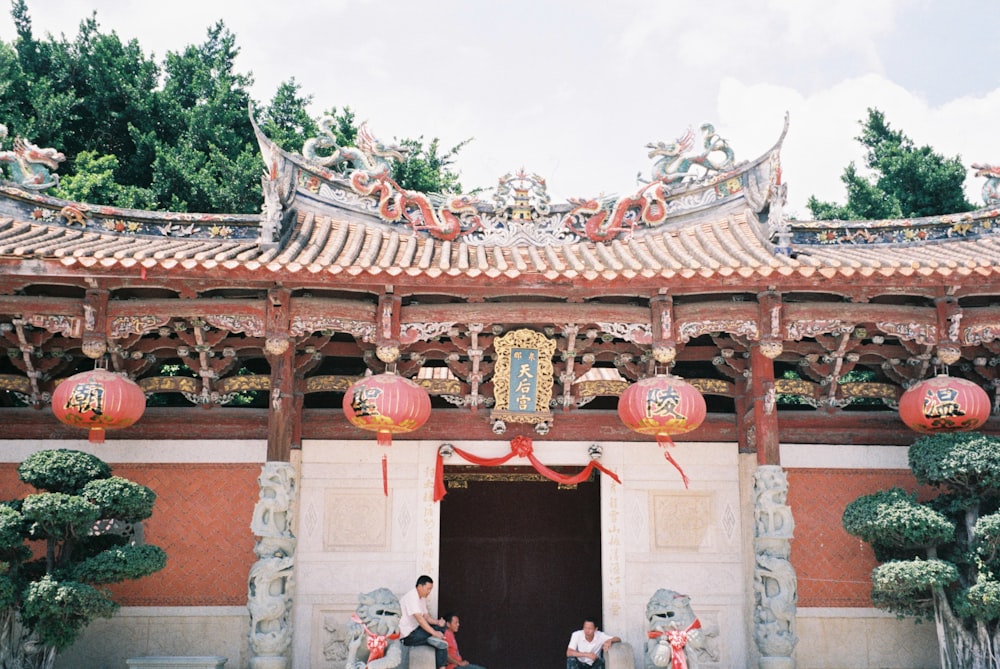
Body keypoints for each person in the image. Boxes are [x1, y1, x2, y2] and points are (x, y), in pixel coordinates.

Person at [399, 575, 449, 669]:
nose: (429, 592)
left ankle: (430, 639)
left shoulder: (421, 598)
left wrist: (438, 622)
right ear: (419, 587)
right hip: (409, 635)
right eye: (428, 589)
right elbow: (420, 620)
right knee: (441, 643)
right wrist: (434, 632)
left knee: (442, 627)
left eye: (430, 589)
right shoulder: (411, 597)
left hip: (418, 630)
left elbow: (426, 617)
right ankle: (442, 666)